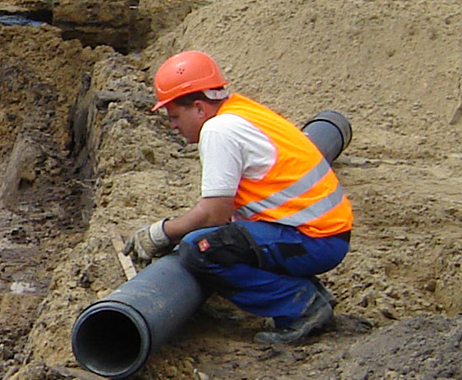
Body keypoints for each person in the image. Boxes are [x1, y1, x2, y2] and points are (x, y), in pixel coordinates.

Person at [126, 51, 352, 345]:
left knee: (202, 248)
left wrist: (162, 232)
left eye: (174, 116)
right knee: (225, 238)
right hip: (323, 232)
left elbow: (213, 215)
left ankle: (300, 308)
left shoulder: (220, 130)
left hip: (316, 240)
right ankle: (304, 292)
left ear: (198, 107)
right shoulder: (240, 110)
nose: (173, 126)